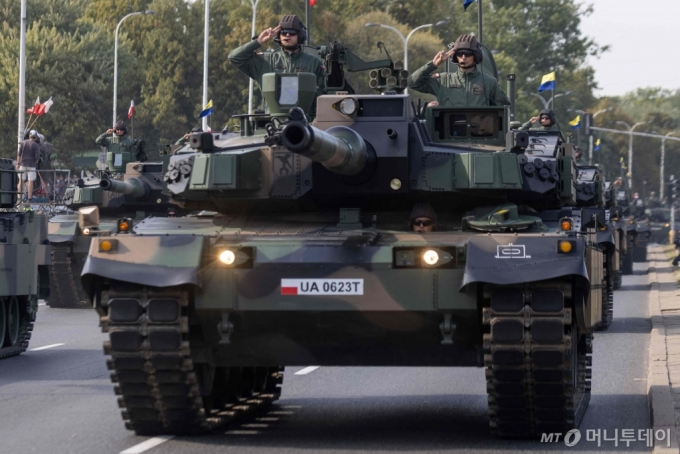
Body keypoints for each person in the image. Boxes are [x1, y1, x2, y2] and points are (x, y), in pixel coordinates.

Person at [228, 15, 325, 116]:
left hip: (305, 122)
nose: (287, 35)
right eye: (283, 32)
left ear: (300, 36)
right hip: (273, 123)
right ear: (279, 35)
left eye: (292, 32)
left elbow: (321, 96)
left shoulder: (313, 63)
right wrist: (259, 41)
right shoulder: (265, 61)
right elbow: (234, 57)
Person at [409, 34, 511, 108]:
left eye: (467, 53)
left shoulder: (489, 82)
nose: (463, 57)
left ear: (476, 56)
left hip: (480, 135)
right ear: (455, 56)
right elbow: (412, 82)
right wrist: (433, 65)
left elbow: (505, 108)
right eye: (460, 53)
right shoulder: (443, 80)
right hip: (447, 136)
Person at [17, 131, 41, 201]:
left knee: (21, 181)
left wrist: (18, 163)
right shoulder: (36, 145)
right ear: (35, 137)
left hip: (22, 164)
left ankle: (19, 197)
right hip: (31, 165)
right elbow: (37, 158)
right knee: (31, 181)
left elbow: (19, 154)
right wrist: (36, 161)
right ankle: (29, 198)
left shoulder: (23, 143)